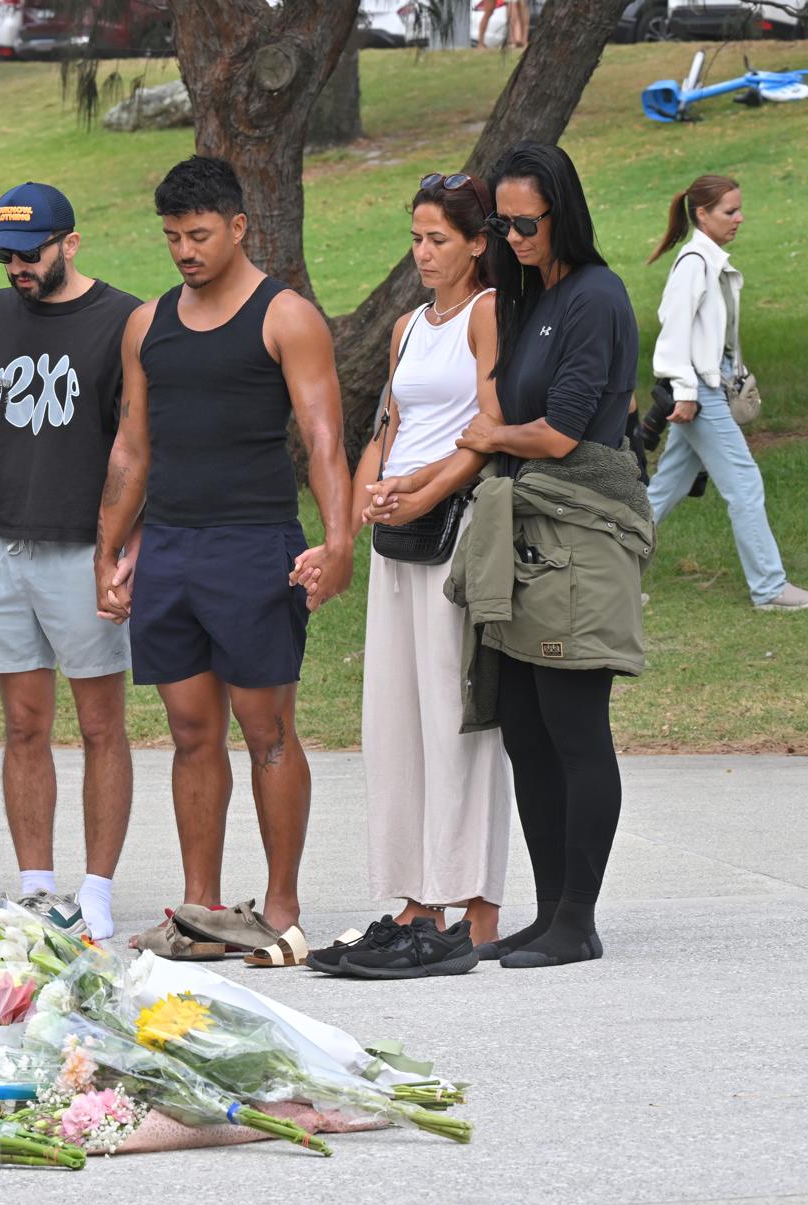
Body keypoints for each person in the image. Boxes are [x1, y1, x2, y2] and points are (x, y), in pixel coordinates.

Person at [99, 156, 355, 963]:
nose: (185, 250)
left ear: (239, 227)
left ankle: (280, 908)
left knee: (266, 728)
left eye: (199, 234)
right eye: (173, 236)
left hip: (255, 544)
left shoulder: (286, 317)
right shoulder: (148, 324)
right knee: (188, 729)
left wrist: (339, 541)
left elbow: (324, 440)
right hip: (170, 545)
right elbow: (133, 445)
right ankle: (200, 909)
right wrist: (111, 543)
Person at [448, 142, 647, 969]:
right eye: (501, 222)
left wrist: (494, 434)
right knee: (526, 730)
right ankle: (548, 909)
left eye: (525, 222)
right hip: (531, 537)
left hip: (583, 538)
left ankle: (580, 918)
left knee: (573, 727)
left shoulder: (596, 298)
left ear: (562, 213)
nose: (512, 236)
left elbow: (560, 432)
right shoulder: (533, 299)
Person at [0, 182, 142, 941]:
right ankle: (36, 887)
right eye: (4, 254)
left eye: (30, 254)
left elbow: (136, 448)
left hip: (82, 549)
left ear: (71, 243)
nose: (16, 267)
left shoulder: (120, 319)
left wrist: (124, 546)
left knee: (101, 724)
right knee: (23, 723)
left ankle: (95, 888)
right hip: (0, 545)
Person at [333, 172, 513, 975]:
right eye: (416, 238)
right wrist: (364, 501)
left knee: (456, 713)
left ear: (478, 242)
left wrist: (423, 488)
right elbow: (387, 424)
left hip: (454, 525)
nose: (424, 253)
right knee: (396, 716)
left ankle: (476, 905)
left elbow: (489, 427)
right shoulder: (408, 326)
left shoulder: (489, 313)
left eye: (439, 238)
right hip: (396, 533)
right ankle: (413, 898)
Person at [646, 175, 808, 612]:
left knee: (665, 488)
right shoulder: (694, 262)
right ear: (702, 215)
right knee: (744, 484)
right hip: (699, 392)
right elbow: (673, 332)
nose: (740, 218)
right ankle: (769, 588)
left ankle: (602, 577)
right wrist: (686, 391)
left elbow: (710, 335)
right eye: (730, 211)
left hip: (708, 385)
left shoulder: (708, 260)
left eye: (739, 209)